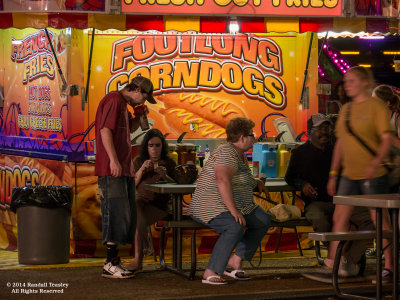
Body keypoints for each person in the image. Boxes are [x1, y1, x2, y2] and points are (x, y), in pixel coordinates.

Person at [326, 66, 394, 282]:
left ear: (365, 83)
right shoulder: (345, 110)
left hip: (373, 174)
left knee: (379, 219)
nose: (347, 84)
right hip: (349, 174)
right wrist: (333, 173)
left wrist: (375, 163)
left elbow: (386, 138)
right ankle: (332, 264)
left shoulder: (376, 107)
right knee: (340, 218)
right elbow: (340, 145)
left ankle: (390, 266)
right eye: (346, 81)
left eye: (352, 80)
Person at [285, 113, 374, 276]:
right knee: (320, 219)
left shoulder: (337, 151)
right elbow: (289, 177)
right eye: (320, 128)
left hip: (344, 202)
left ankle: (348, 259)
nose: (325, 132)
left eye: (327, 127)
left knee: (372, 219)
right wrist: (302, 184)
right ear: (309, 132)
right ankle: (342, 258)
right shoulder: (299, 154)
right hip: (317, 203)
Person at [189, 117, 272, 285]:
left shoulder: (239, 154)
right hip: (210, 206)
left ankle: (236, 261)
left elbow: (239, 178)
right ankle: (211, 271)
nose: (254, 139)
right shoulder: (227, 151)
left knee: (263, 220)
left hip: (234, 205)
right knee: (234, 225)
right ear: (242, 137)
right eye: (252, 135)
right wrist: (234, 211)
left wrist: (256, 182)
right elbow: (222, 179)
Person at [95, 75, 157, 279]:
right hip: (113, 168)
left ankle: (114, 261)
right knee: (113, 213)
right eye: (145, 98)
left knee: (123, 214)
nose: (143, 102)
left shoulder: (123, 105)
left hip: (124, 168)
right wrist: (113, 159)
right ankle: (110, 263)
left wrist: (139, 119)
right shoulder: (114, 100)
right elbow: (105, 131)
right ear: (137, 90)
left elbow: (125, 131)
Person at [126, 129, 176, 271]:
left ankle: (138, 259)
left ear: (163, 147)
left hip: (159, 206)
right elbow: (132, 185)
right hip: (140, 202)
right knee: (136, 205)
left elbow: (178, 184)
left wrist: (165, 176)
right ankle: (139, 257)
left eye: (157, 145)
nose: (154, 149)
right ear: (146, 147)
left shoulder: (169, 162)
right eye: (151, 145)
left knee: (136, 215)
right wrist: (141, 170)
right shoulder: (139, 161)